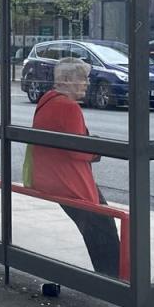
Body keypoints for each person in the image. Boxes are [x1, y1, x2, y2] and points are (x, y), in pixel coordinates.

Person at [30, 57, 120, 278]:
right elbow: (78, 149)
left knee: (99, 226)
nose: (87, 84)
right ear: (66, 80)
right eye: (83, 79)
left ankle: (112, 275)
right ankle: (114, 279)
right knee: (103, 228)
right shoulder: (68, 107)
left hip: (52, 177)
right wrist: (97, 148)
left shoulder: (47, 101)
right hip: (70, 182)